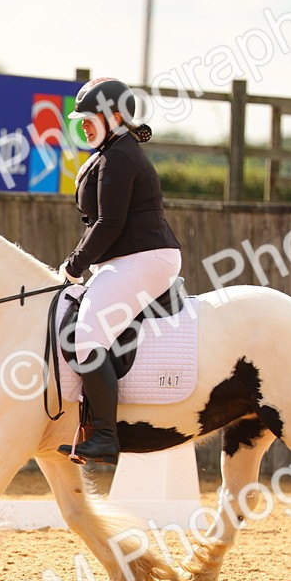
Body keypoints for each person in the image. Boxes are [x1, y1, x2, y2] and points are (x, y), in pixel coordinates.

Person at [56, 77, 182, 465]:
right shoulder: (112, 152)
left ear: (114, 116)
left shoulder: (120, 156)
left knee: (88, 335)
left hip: (144, 258)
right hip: (130, 259)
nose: (83, 125)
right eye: (80, 120)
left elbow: (109, 223)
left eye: (90, 118)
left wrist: (74, 265)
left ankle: (107, 437)